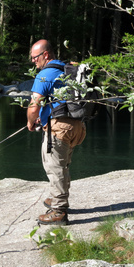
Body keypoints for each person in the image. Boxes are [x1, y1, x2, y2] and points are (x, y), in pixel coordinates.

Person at [27, 39, 86, 225]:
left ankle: (59, 211)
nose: (33, 62)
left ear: (45, 55)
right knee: (63, 165)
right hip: (77, 126)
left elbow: (34, 105)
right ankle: (56, 197)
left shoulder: (45, 75)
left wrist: (30, 121)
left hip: (59, 128)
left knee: (54, 168)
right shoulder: (66, 68)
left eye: (35, 58)